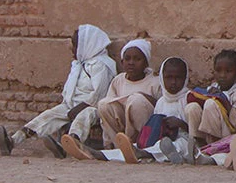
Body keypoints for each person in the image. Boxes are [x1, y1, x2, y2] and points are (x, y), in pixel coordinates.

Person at [0, 24, 116, 157]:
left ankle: (69, 145)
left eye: (76, 45)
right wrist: (67, 106)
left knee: (83, 116)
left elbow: (99, 95)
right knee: (48, 116)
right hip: (72, 105)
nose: (72, 49)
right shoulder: (78, 64)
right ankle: (13, 140)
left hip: (92, 107)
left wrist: (79, 107)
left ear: (87, 45)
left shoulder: (101, 65)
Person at [63, 57, 192, 165]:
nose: (173, 82)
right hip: (160, 140)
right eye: (169, 78)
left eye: (178, 78)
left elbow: (196, 133)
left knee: (178, 146)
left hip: (183, 140)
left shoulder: (189, 98)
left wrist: (181, 124)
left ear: (185, 78)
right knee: (134, 148)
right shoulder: (162, 101)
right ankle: (98, 154)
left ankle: (146, 153)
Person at [90, 38, 159, 153]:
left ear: (146, 63)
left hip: (146, 130)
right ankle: (117, 146)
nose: (131, 63)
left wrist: (143, 98)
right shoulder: (118, 81)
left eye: (137, 59)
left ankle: (141, 147)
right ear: (122, 62)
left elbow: (160, 109)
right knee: (103, 104)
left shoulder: (155, 82)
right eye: (127, 59)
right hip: (123, 127)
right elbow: (109, 107)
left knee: (136, 100)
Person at [184, 49, 236, 147]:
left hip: (228, 134)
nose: (222, 75)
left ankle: (215, 146)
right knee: (192, 107)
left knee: (211, 104)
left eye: (228, 71)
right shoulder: (213, 88)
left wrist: (224, 102)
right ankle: (198, 143)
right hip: (207, 132)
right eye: (218, 71)